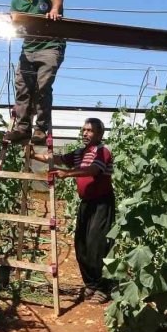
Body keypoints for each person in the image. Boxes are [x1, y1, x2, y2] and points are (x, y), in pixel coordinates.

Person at [33, 118, 115, 303]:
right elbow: (57, 159)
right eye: (84, 130)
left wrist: (67, 173)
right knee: (81, 245)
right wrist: (32, 155)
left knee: (97, 245)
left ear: (100, 134)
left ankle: (103, 288)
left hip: (102, 204)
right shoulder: (79, 153)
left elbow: (94, 170)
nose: (85, 133)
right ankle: (91, 285)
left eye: (90, 130)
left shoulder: (103, 151)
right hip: (86, 203)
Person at [4, 0, 65, 146]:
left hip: (50, 46)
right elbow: (15, 21)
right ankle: (22, 128)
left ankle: (40, 129)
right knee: (22, 87)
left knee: (42, 86)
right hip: (28, 48)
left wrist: (54, 9)